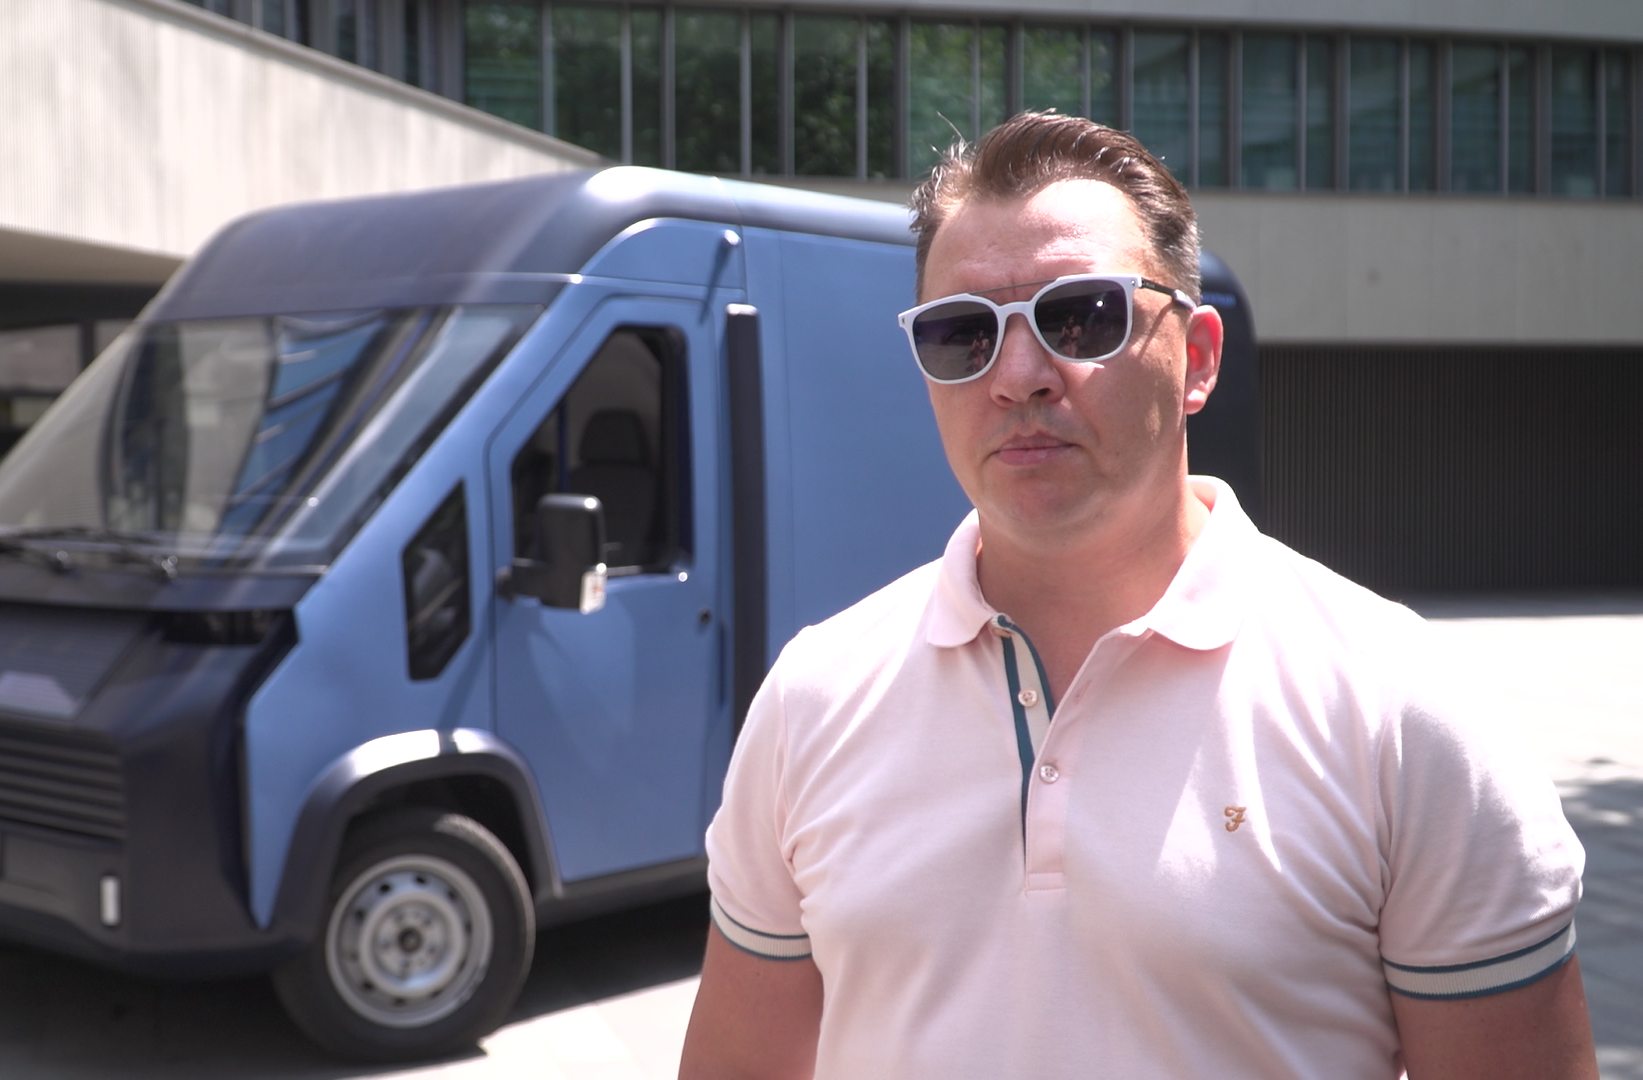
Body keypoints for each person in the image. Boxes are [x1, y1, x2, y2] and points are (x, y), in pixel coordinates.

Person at [678, 111, 1595, 1080]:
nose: (1018, 377)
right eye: (964, 333)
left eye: (1081, 316)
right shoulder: (812, 700)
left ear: (1198, 357)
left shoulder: (1402, 709)